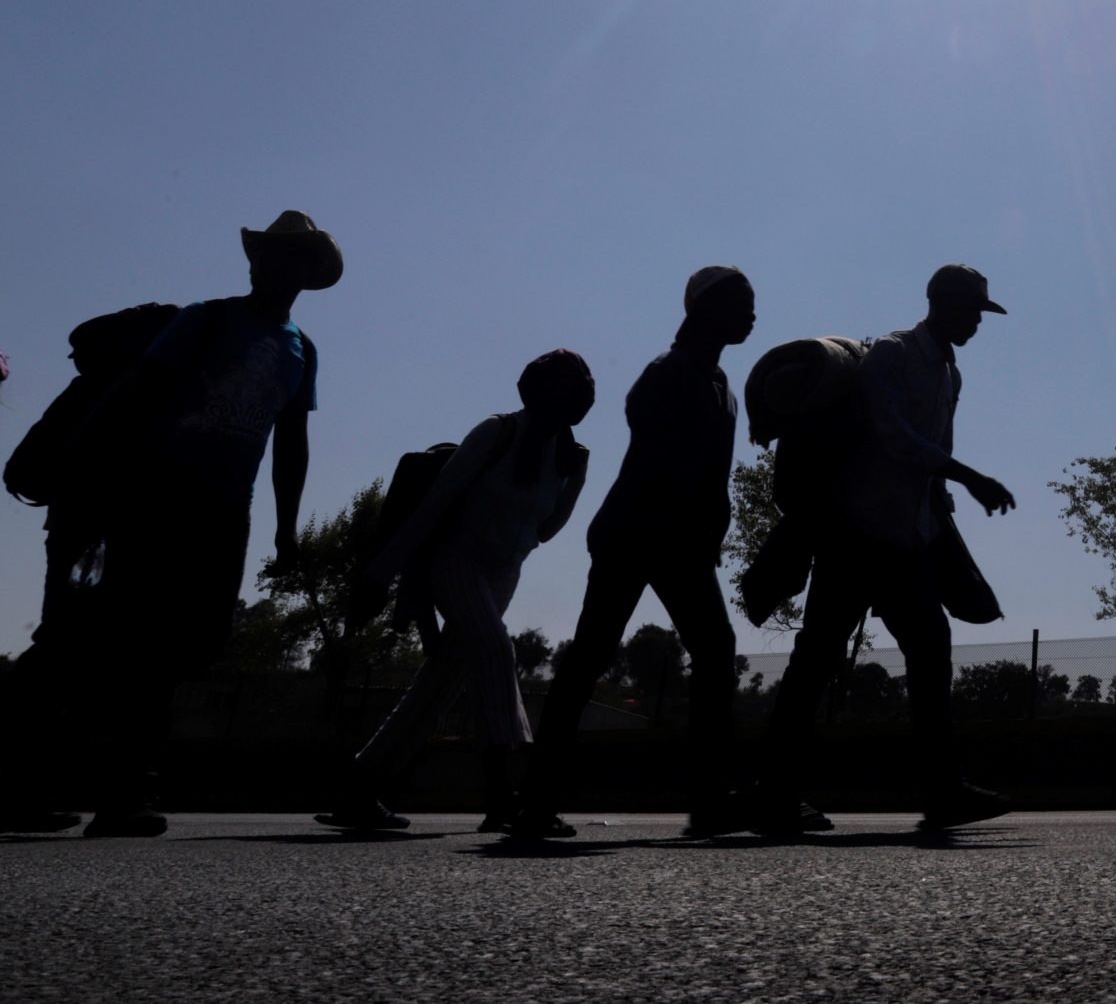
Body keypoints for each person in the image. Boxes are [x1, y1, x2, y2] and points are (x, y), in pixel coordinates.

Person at [84, 211, 341, 838]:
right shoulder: (206, 317)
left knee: (198, 640)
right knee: (142, 638)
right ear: (255, 262)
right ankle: (125, 789)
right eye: (272, 254)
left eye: (295, 258)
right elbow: (139, 393)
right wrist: (94, 478)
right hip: (158, 492)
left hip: (229, 507)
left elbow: (292, 442)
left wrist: (286, 529)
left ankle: (120, 764)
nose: (280, 267)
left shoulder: (301, 350)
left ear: (307, 273)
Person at [753, 264, 1019, 833]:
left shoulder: (951, 373)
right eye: (971, 310)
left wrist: (942, 515)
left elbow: (931, 460)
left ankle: (943, 789)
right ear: (941, 304)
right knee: (816, 659)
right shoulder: (892, 356)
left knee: (930, 649)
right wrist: (971, 477)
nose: (976, 321)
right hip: (856, 535)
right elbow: (893, 437)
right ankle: (775, 792)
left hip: (906, 539)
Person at [514, 268, 754, 839]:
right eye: (741, 303)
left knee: (714, 649)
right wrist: (688, 520)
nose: (752, 314)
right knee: (591, 658)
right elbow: (658, 455)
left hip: (680, 541)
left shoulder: (723, 386)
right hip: (638, 532)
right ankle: (537, 800)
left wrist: (711, 530)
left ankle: (708, 797)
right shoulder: (667, 373)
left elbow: (713, 474)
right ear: (702, 310)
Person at [318, 351, 594, 833]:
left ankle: (361, 785)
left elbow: (546, 530)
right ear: (536, 393)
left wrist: (573, 477)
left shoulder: (570, 458)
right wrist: (380, 576)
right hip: (454, 560)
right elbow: (433, 505)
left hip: (504, 572)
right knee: (494, 650)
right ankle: (503, 796)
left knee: (441, 682)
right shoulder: (496, 432)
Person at [0, 305, 176, 832]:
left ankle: (28, 792)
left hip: (84, 535)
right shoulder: (132, 387)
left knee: (66, 654)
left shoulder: (97, 387)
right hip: (101, 538)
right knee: (123, 658)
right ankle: (120, 797)